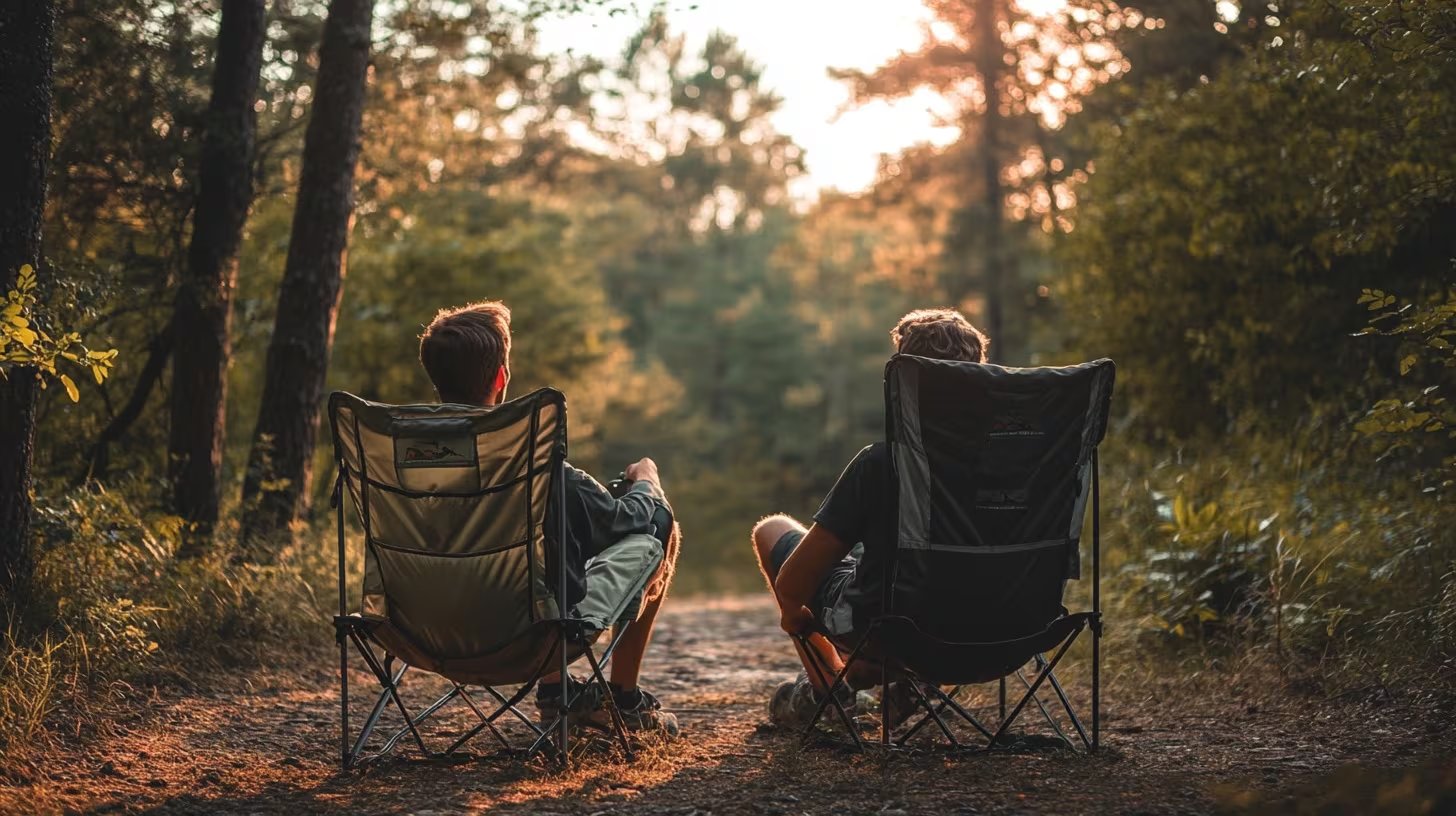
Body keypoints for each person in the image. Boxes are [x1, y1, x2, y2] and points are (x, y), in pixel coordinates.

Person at [418, 300, 680, 737]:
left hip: (422, 632)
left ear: (436, 380)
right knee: (658, 523)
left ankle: (559, 693)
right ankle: (624, 700)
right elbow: (625, 520)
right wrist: (647, 481)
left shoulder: (402, 462)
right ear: (501, 378)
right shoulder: (537, 467)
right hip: (529, 639)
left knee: (553, 538)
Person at [749, 308, 990, 727]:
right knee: (872, 563)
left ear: (903, 381)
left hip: (898, 630)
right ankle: (893, 678)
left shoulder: (882, 464)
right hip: (998, 633)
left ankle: (830, 694)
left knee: (772, 531)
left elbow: (793, 584)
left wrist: (791, 616)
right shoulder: (1019, 466)